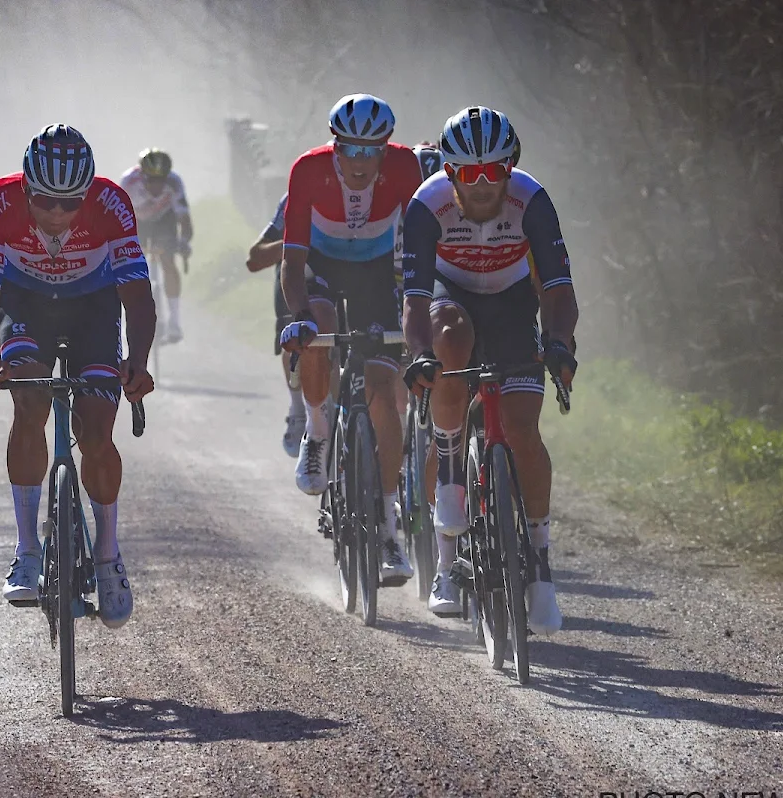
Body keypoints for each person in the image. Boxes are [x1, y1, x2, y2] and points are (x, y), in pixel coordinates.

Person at [0, 124, 156, 629]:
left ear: (88, 193)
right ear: (25, 189)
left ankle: (109, 555)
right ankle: (27, 550)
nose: (57, 214)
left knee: (97, 431)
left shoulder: (113, 205)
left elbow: (137, 298)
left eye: (70, 203)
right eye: (46, 201)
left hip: (92, 307)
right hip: (24, 303)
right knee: (28, 403)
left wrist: (138, 361)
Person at [401, 106, 578, 632]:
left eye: (494, 171)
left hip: (513, 305)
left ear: (511, 168)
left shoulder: (533, 199)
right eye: (468, 174)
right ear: (448, 173)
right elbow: (413, 301)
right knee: (449, 341)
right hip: (451, 299)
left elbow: (558, 290)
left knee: (523, 430)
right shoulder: (425, 206)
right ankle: (447, 542)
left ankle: (541, 566)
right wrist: (418, 355)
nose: (482, 185)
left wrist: (560, 343)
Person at [279, 94, 423, 584]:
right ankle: (317, 430)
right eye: (350, 149)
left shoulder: (404, 168)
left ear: (386, 148)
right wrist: (298, 317)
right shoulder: (309, 170)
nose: (360, 161)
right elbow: (292, 263)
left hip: (377, 275)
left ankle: (387, 530)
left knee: (384, 391)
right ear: (334, 145)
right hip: (320, 268)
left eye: (372, 150)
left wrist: (415, 312)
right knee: (317, 325)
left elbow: (421, 249)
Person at [245, 194, 308, 458]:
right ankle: (297, 411)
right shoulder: (295, 198)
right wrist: (297, 243)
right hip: (298, 277)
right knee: (293, 335)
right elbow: (255, 258)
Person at [120, 149, 192, 342]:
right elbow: (118, 218)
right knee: (134, 267)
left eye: (160, 180)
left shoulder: (174, 183)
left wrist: (184, 242)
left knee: (168, 262)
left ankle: (174, 322)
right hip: (137, 221)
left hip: (164, 220)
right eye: (151, 180)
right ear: (142, 176)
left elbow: (184, 218)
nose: (156, 186)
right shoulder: (128, 182)